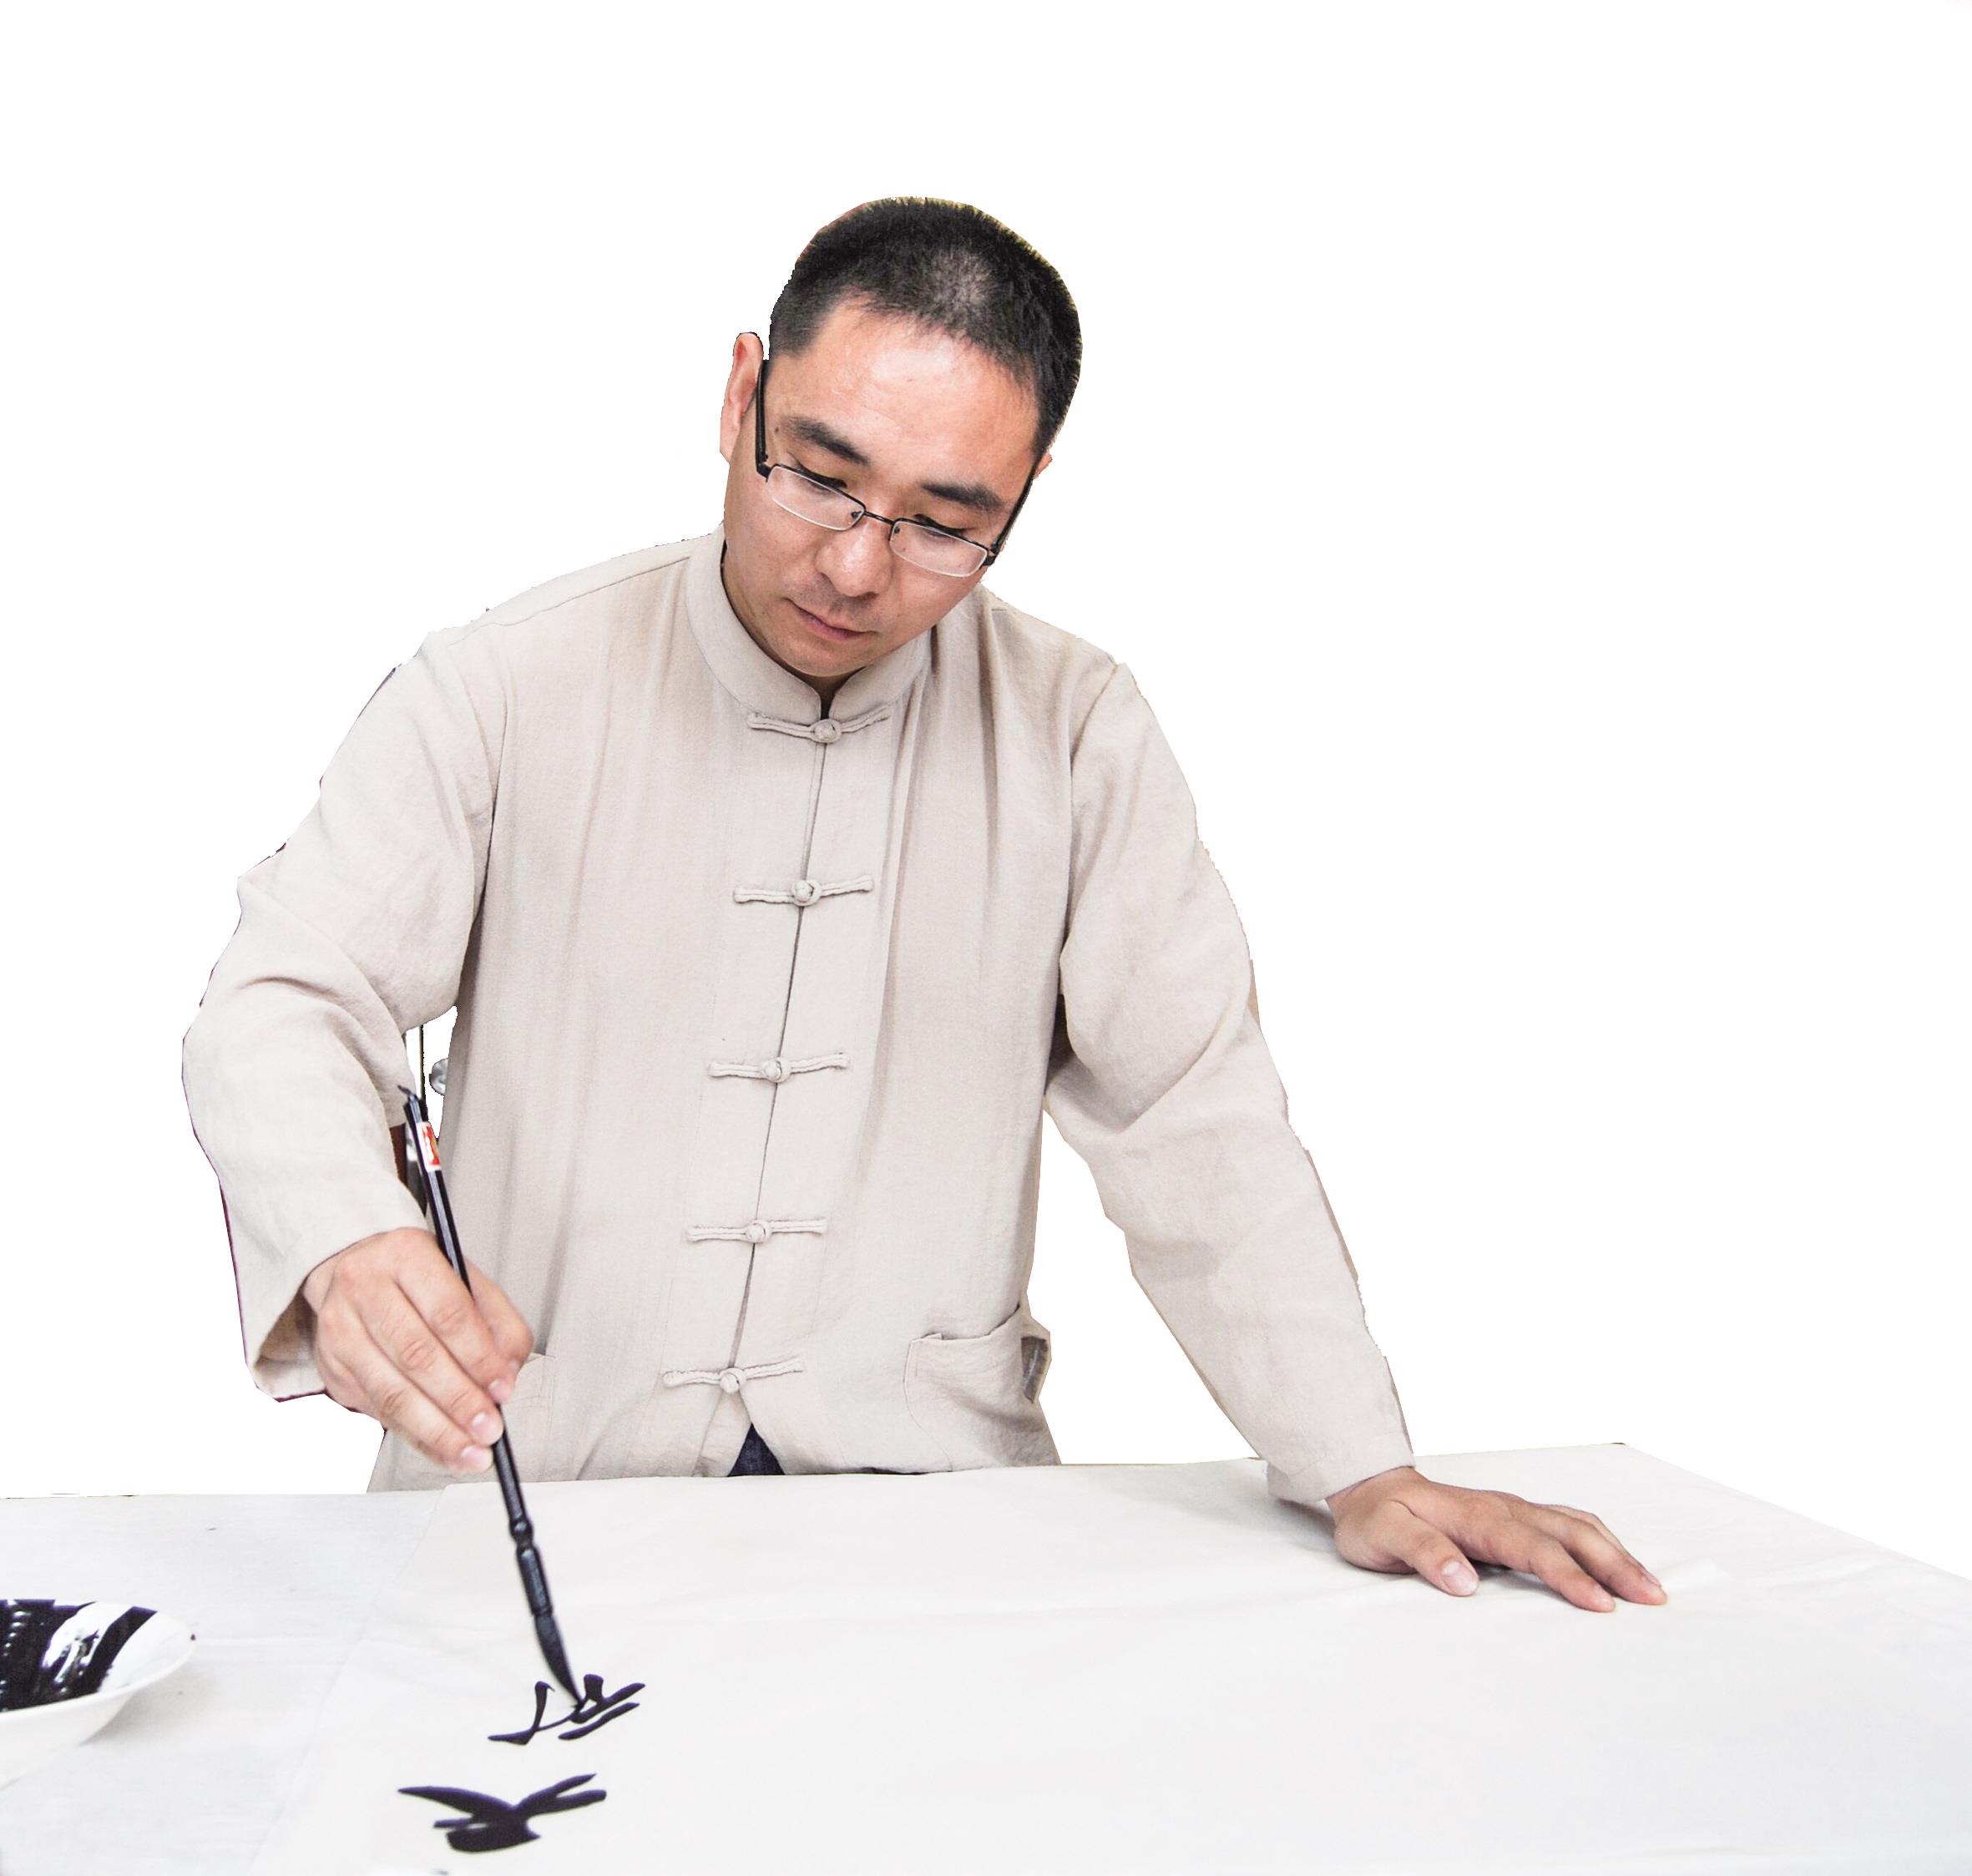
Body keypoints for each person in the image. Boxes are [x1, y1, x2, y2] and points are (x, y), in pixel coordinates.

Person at [181, 195, 1665, 1614]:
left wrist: (1360, 1466)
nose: (852, 565)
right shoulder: (504, 685)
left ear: (1021, 499)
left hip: (932, 1511)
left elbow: (1192, 1113)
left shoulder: (1075, 730)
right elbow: (282, 1000)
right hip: (540, 1484)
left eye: (944, 523)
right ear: (740, 395)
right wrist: (348, 1239)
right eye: (817, 475)